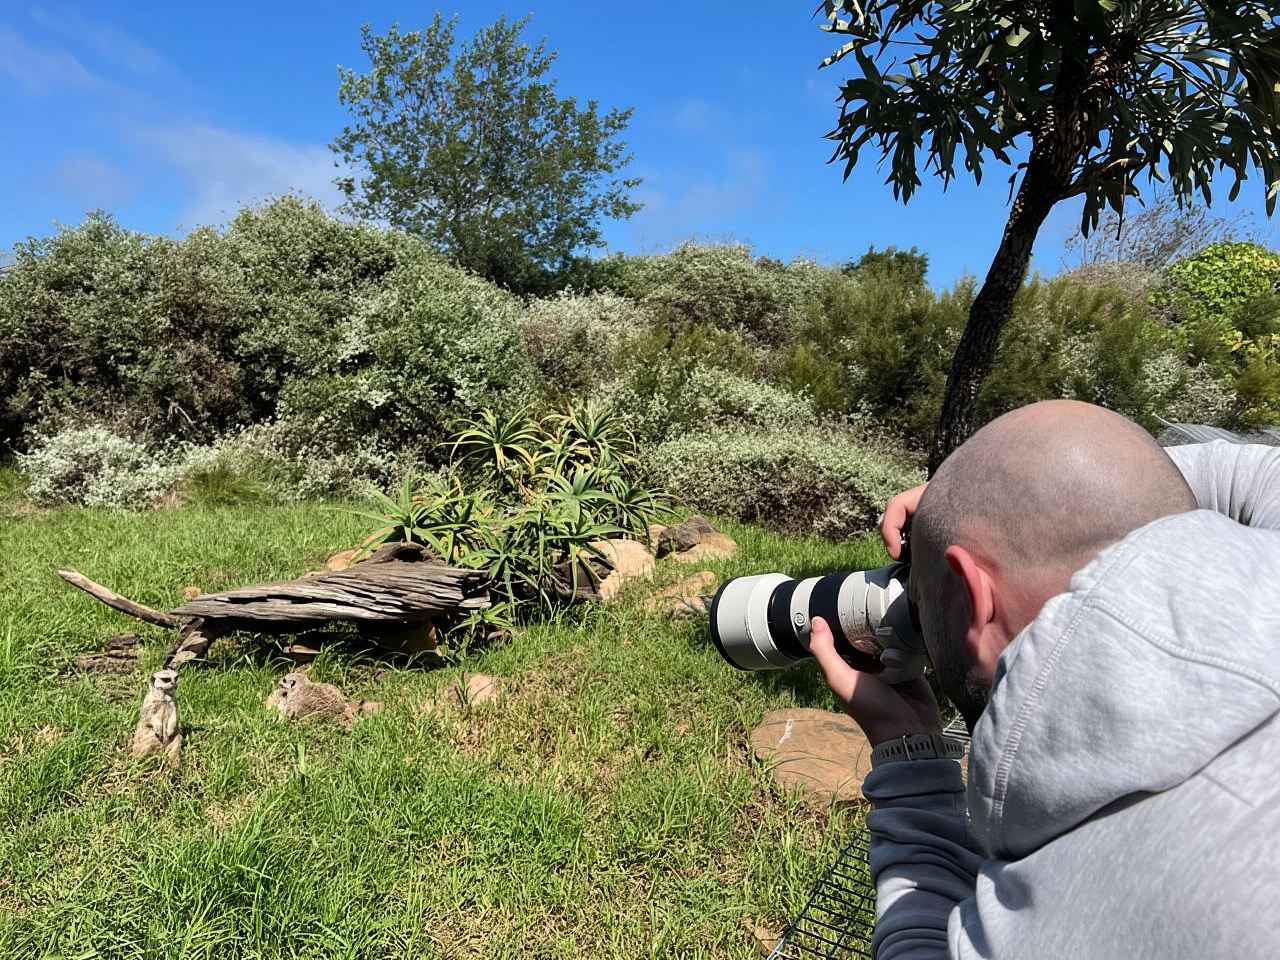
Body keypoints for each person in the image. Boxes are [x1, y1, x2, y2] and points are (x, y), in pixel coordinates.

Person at [806, 400, 1280, 959]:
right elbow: (1256, 473)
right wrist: (1013, 497)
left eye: (921, 601)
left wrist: (911, 760)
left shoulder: (1077, 913)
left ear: (976, 601)